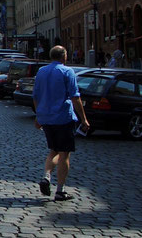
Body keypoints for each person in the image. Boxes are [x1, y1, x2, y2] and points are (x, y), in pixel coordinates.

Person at [33, 45, 90, 202]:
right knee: (64, 153)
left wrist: (39, 116)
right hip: (63, 117)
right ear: (64, 57)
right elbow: (75, 97)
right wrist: (83, 118)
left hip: (46, 117)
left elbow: (36, 96)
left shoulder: (41, 72)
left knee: (54, 150)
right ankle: (60, 190)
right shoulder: (67, 71)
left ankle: (46, 176)